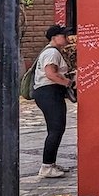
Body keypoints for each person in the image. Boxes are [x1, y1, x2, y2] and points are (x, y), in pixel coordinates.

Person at [32, 24, 74, 179]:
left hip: (48, 93)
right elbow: (51, 74)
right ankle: (47, 166)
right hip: (49, 92)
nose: (66, 38)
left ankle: (51, 163)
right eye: (63, 35)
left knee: (56, 129)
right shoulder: (51, 53)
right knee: (56, 129)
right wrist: (68, 83)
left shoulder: (52, 52)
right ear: (55, 38)